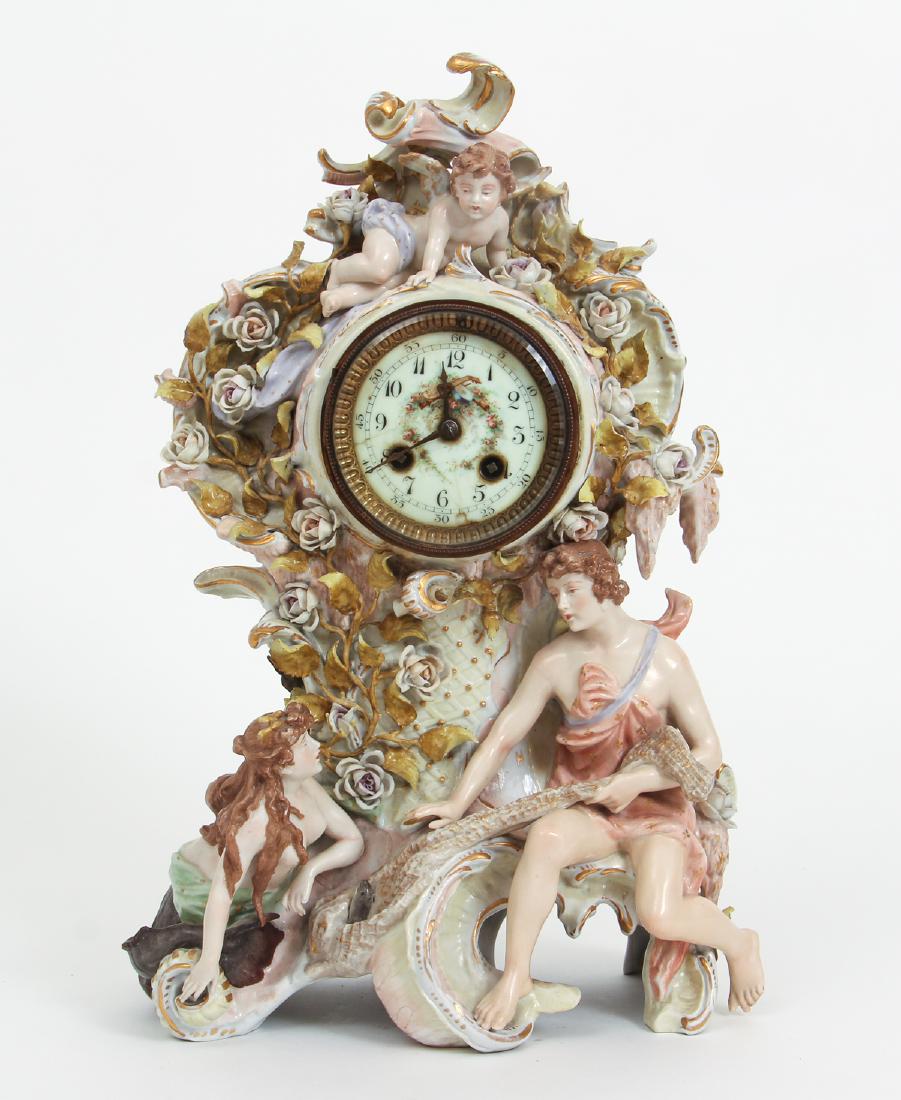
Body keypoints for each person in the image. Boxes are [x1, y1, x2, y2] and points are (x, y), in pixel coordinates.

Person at [409, 541, 764, 1030]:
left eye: (573, 590)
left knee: (659, 913)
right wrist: (456, 802)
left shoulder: (664, 659)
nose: (563, 605)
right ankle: (516, 976)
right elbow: (504, 734)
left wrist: (638, 781)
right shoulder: (556, 661)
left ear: (604, 585)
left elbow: (708, 751)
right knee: (546, 837)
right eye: (555, 593)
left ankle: (741, 943)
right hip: (589, 806)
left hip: (655, 813)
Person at [178, 701, 363, 1001]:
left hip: (264, 895)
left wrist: (310, 870)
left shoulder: (307, 787)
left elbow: (353, 841)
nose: (317, 745)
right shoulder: (255, 822)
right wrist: (208, 962)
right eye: (304, 744)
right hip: (204, 890)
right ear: (282, 764)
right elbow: (222, 892)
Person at [320, 141, 514, 316]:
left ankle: (338, 298)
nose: (475, 199)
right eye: (466, 190)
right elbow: (435, 243)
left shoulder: (500, 220)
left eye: (486, 192)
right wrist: (428, 270)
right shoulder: (445, 210)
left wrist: (505, 276)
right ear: (455, 189)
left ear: (503, 192)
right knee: (380, 270)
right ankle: (337, 269)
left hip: (416, 266)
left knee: (389, 289)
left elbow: (497, 252)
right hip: (399, 234)